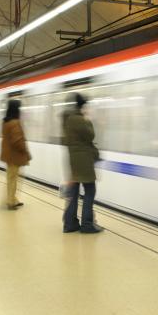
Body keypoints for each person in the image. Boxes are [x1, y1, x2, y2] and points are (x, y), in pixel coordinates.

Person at [62, 93, 102, 233]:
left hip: (74, 159)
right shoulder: (79, 119)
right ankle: (87, 224)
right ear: (83, 106)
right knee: (90, 190)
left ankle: (70, 223)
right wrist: (88, 120)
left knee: (73, 192)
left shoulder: (67, 119)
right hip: (84, 160)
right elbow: (91, 135)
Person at [0, 99, 31, 210]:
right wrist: (25, 151)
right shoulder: (14, 123)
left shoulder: (6, 122)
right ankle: (10, 202)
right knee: (13, 179)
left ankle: (13, 198)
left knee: (11, 178)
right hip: (15, 156)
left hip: (9, 156)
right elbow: (17, 141)